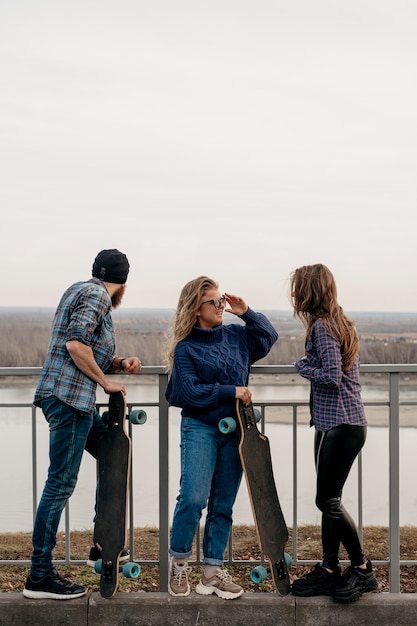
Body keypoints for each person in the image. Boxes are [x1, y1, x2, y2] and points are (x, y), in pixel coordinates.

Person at [23, 249, 141, 600]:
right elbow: (75, 345)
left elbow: (86, 347)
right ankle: (39, 575)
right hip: (70, 401)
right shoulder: (98, 295)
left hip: (74, 403)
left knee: (113, 453)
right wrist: (106, 383)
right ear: (123, 282)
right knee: (59, 484)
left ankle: (101, 543)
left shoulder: (79, 289)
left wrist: (119, 363)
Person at [165, 276, 278, 599]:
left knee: (223, 503)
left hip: (236, 430)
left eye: (221, 301)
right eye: (214, 302)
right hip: (200, 427)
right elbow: (187, 392)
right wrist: (231, 391)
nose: (220, 307)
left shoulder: (236, 336)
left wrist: (246, 312)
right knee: (193, 498)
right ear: (196, 309)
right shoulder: (186, 348)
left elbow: (269, 337)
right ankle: (180, 562)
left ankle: (212, 573)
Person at [289, 264, 378, 604]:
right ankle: (328, 570)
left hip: (342, 424)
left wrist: (301, 366)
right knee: (330, 501)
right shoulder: (336, 321)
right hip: (336, 423)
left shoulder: (323, 327)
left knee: (326, 500)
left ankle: (362, 567)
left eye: (298, 288)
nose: (294, 295)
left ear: (311, 291)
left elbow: (332, 376)